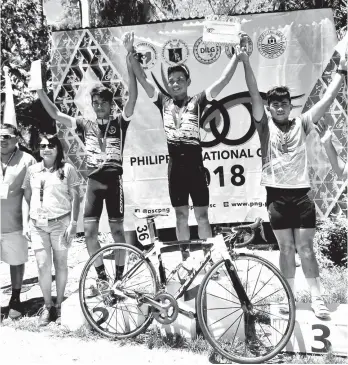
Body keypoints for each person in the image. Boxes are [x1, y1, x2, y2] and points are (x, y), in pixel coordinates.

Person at [239, 42, 347, 319]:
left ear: (290, 106)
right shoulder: (263, 125)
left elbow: (326, 100)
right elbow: (253, 93)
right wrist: (245, 61)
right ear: (269, 107)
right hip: (275, 195)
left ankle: (317, 298)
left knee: (306, 248)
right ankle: (288, 297)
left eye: (284, 104)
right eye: (274, 104)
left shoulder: (303, 122)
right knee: (286, 248)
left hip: (301, 195)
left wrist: (343, 69)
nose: (279, 108)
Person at [123, 31, 240, 242]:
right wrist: (130, 51)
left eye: (180, 79)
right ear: (168, 84)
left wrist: (236, 56)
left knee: (202, 217)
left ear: (188, 81)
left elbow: (223, 80)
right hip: (175, 171)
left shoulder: (198, 101)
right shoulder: (163, 102)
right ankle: (186, 260)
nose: (176, 83)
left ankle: (207, 259)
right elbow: (142, 77)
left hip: (196, 169)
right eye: (172, 80)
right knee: (181, 216)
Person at [32, 52, 137, 283]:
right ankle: (102, 278)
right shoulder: (84, 124)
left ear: (111, 104)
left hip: (114, 183)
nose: (99, 107)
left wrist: (130, 62)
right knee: (89, 233)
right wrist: (39, 90)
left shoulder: (119, 122)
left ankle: (120, 277)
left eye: (103, 103)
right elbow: (57, 114)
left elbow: (132, 99)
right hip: (94, 184)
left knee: (118, 232)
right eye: (95, 103)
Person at [22, 134, 80, 325]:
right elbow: (26, 197)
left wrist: (73, 224)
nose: (45, 148)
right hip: (37, 225)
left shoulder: (67, 169)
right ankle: (48, 307)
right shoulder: (32, 170)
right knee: (42, 265)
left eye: (50, 145)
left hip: (60, 223)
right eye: (42, 145)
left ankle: (60, 304)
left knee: (61, 264)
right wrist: (25, 224)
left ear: (57, 149)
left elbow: (76, 197)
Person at [1, 123, 36, 319]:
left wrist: (29, 221)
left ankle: (15, 298)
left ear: (16, 139)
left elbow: (30, 194)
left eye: (6, 136)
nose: (2, 139)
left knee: (16, 261)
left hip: (15, 223)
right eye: (0, 136)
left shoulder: (28, 160)